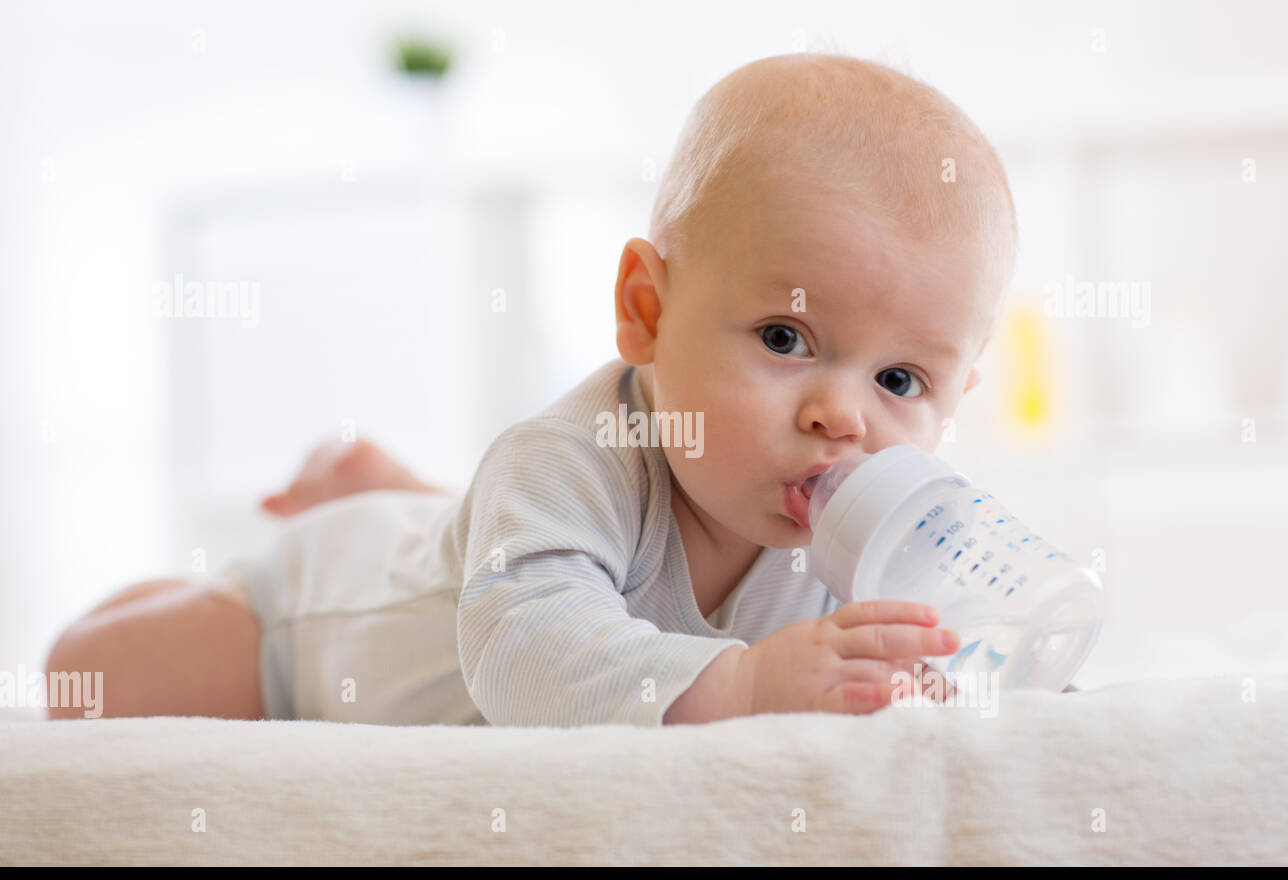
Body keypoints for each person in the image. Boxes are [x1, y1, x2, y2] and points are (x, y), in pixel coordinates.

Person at [45, 52, 1018, 726]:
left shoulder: (861, 535)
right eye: (784, 336)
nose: (842, 416)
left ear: (954, 397)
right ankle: (334, 532)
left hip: (471, 542)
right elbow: (528, 654)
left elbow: (957, 658)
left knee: (488, 533)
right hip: (313, 629)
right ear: (646, 309)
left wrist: (948, 673)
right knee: (87, 676)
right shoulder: (568, 458)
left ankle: (406, 498)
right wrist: (748, 681)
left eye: (900, 379)